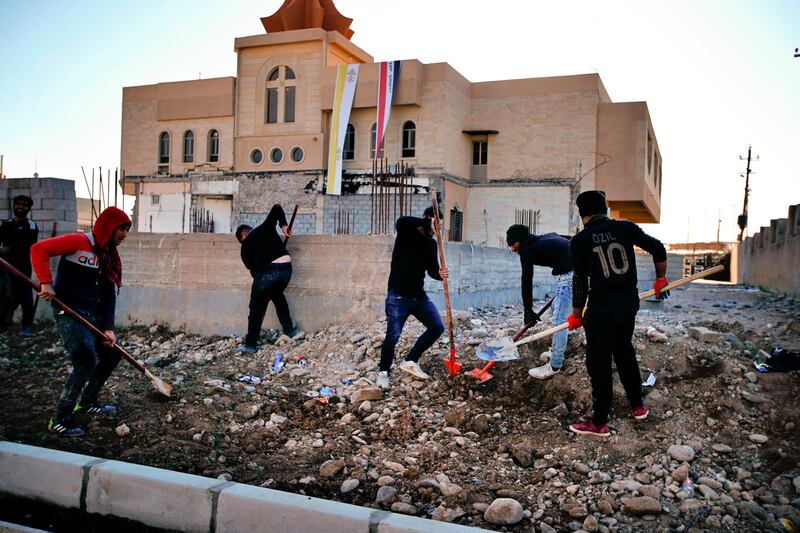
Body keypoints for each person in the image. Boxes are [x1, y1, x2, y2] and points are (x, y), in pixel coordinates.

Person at [566, 190, 668, 438]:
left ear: (583, 215)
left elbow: (580, 281)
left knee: (598, 364)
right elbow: (658, 248)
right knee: (624, 353)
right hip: (627, 307)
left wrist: (576, 314)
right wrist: (661, 278)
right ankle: (638, 406)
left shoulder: (579, 241)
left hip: (600, 311)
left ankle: (599, 422)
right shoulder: (625, 228)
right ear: (605, 210)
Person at [31, 207, 131, 437]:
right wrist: (45, 282)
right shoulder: (79, 241)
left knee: (112, 353)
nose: (125, 234)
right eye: (122, 228)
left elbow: (108, 296)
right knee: (85, 359)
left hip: (92, 315)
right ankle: (60, 418)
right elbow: (39, 249)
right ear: (109, 226)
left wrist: (108, 328)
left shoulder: (109, 256)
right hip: (70, 311)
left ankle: (86, 402)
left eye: (127, 229)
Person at [377, 206, 448, 389]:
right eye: (434, 224)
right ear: (425, 218)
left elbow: (432, 270)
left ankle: (411, 359)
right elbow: (401, 221)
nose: (435, 229)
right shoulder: (406, 232)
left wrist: (441, 274)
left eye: (438, 225)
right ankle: (383, 372)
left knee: (437, 327)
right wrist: (429, 222)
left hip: (419, 297)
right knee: (392, 336)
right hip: (397, 297)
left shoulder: (431, 244)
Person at [506, 223, 573, 379]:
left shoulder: (526, 250)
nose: (512, 249)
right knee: (556, 307)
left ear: (519, 241)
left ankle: (555, 364)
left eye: (512, 244)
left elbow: (526, 280)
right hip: (574, 273)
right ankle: (556, 349)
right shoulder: (545, 238)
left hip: (571, 277)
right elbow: (568, 238)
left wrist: (528, 309)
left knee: (559, 321)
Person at [235, 204, 297, 353]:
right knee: (278, 296)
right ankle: (289, 330)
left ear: (243, 236)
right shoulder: (265, 227)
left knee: (256, 308)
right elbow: (277, 208)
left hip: (267, 273)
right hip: (286, 270)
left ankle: (250, 344)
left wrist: (261, 285)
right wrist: (284, 226)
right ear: (250, 230)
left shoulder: (244, 247)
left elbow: (253, 270)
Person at [0, 195, 39, 336]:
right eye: (18, 204)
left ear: (28, 208)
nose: (20, 207)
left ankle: (26, 326)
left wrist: (6, 249)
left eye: (24, 205)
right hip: (4, 267)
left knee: (25, 296)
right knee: (5, 295)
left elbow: (27, 246)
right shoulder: (6, 225)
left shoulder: (31, 226)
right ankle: (3, 324)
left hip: (21, 267)